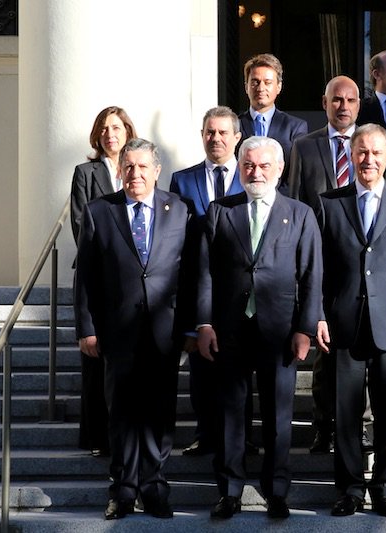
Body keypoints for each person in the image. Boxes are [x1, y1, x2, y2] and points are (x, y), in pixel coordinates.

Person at [196, 136, 323, 520]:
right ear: (239, 168)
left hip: (280, 331)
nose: (256, 172)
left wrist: (305, 328)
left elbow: (311, 275)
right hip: (230, 328)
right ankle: (230, 491)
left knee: (278, 416)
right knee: (230, 415)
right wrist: (204, 322)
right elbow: (204, 272)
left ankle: (277, 492)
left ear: (279, 169)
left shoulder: (300, 214)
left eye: (264, 165)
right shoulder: (220, 211)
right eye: (248, 165)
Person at [74, 138, 192, 520]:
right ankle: (123, 491)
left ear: (157, 171)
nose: (135, 174)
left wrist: (191, 327)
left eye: (143, 167)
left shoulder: (179, 210)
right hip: (117, 331)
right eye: (128, 167)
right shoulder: (99, 211)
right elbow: (86, 276)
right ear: (120, 170)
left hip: (164, 330)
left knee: (160, 413)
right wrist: (86, 328)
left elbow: (189, 274)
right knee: (121, 414)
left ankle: (154, 488)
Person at [316, 123, 386, 518]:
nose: (368, 159)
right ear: (350, 156)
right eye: (361, 151)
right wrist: (318, 316)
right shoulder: (329, 203)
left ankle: (385, 487)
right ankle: (349, 489)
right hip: (343, 322)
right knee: (345, 414)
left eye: (376, 152)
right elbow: (319, 269)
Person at [288, 75, 386, 454]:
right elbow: (295, 201)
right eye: (336, 99)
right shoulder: (304, 147)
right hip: (323, 259)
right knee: (327, 355)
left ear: (359, 105)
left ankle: (360, 427)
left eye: (351, 100)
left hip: (369, 262)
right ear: (325, 103)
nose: (343, 106)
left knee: (361, 354)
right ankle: (324, 427)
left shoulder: (377, 146)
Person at [169, 106, 248, 458]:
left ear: (237, 137)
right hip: (196, 285)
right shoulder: (182, 181)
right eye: (209, 132)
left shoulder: (251, 175)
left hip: (240, 288)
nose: (215, 138)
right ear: (202, 136)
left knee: (240, 368)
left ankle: (243, 436)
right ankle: (205, 433)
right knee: (201, 368)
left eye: (222, 132)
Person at [70, 106, 137, 458]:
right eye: (104, 129)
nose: (110, 134)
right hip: (97, 273)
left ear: (127, 131)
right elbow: (79, 221)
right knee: (95, 363)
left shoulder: (138, 166)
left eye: (116, 127)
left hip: (131, 277)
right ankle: (98, 436)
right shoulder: (86, 172)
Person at [238, 53, 308, 188]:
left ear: (279, 87)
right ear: (246, 87)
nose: (261, 88)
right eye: (255, 82)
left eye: (267, 82)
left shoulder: (295, 127)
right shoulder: (234, 125)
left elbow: (297, 173)